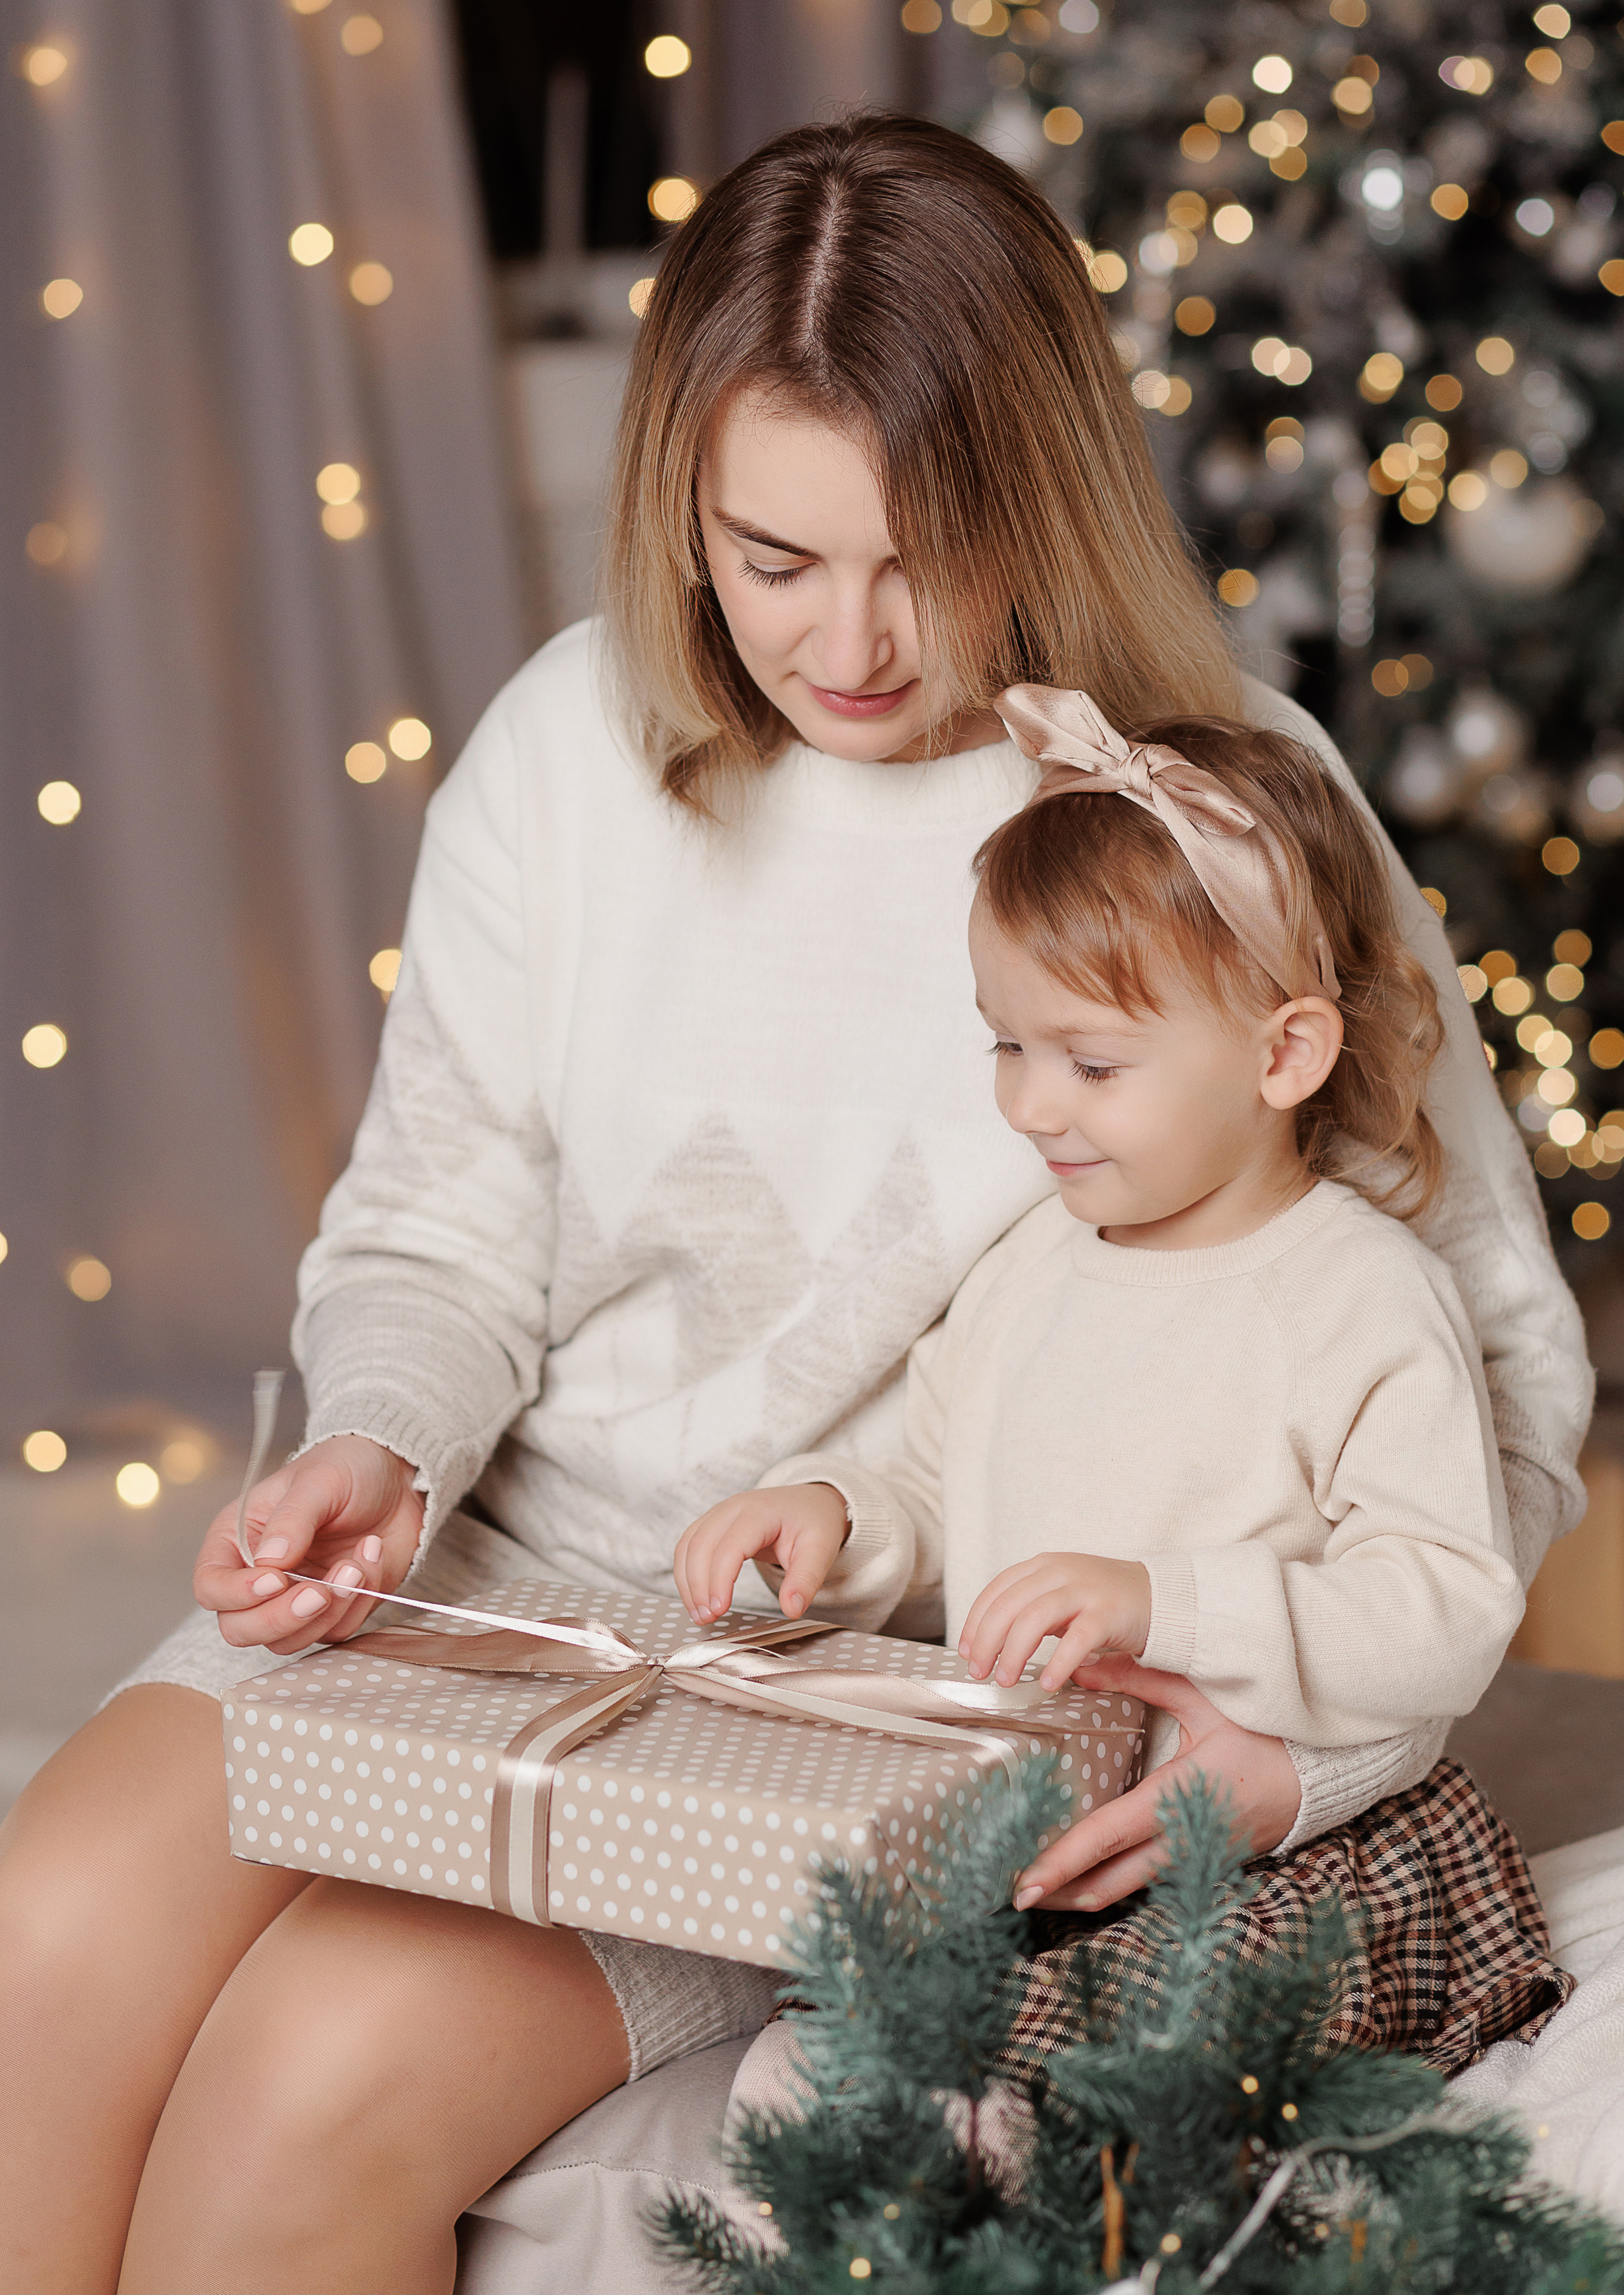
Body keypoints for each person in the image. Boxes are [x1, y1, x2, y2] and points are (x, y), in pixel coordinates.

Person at [0, 114, 1589, 2295]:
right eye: (772, 560)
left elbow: (1481, 1393)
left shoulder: (1211, 816)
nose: (848, 641)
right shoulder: (569, 750)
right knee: (37, 1947)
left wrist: (1298, 1761)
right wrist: (376, 1440)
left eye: (920, 554)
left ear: (1035, 494)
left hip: (831, 1704)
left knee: (305, 2096)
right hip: (489, 1583)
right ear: (683, 509)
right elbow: (437, 1230)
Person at [674, 691, 1571, 2073]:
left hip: (1289, 1851)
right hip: (1056, 1838)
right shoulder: (1034, 1265)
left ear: (1284, 1054)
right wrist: (837, 1520)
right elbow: (940, 1482)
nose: (1031, 1106)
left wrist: (1163, 1598)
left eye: (1089, 1062)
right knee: (823, 2069)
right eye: (1007, 1046)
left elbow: (1446, 1608)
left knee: (1078, 2087)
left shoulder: (1358, 1298)